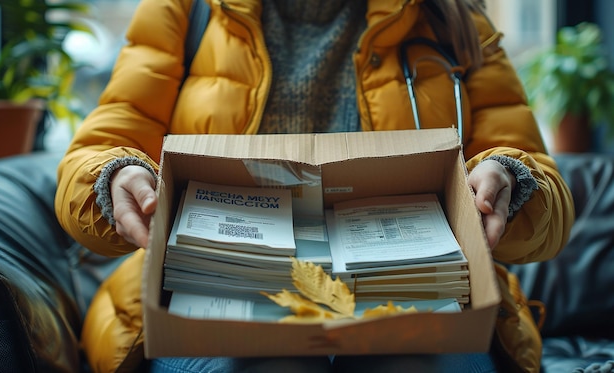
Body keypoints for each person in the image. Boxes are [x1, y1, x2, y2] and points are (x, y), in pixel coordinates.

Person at [55, 0, 575, 372]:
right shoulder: (184, 11)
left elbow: (544, 201)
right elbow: (97, 151)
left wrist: (512, 177)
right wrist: (115, 176)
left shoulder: (455, 18)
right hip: (210, 305)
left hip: (422, 307)